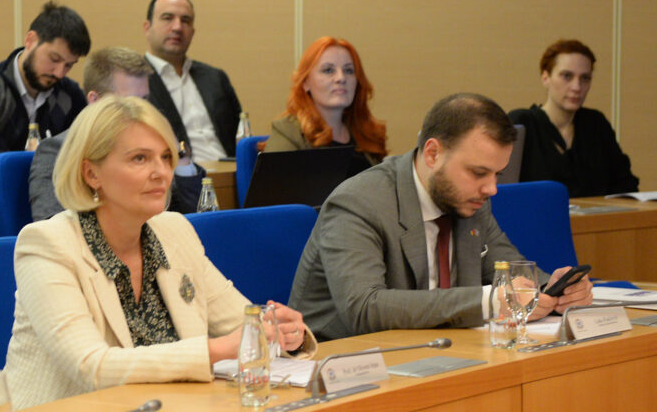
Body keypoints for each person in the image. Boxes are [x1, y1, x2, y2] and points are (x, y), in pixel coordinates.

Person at [3, 96, 316, 409]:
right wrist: (216, 350)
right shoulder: (48, 244)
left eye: (166, 157)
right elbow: (91, 366)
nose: (161, 172)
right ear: (91, 173)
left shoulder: (174, 230)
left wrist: (282, 333)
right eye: (140, 158)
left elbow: (242, 323)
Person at [289, 93, 592, 341]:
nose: (491, 189)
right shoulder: (358, 202)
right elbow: (365, 308)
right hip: (344, 364)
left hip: (435, 352)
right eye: (478, 172)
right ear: (433, 154)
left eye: (497, 174)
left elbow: (507, 270)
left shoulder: (470, 200)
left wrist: (553, 290)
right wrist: (489, 302)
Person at [29, 46, 204, 221]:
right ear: (95, 100)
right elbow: (51, 224)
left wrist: (179, 157)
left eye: (145, 100)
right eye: (129, 102)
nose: (142, 111)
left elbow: (195, 217)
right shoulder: (56, 150)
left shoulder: (155, 149)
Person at [0, 1, 91, 177]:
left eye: (68, 65)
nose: (59, 73)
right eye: (54, 59)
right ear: (30, 40)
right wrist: (22, 160)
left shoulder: (69, 95)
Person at [508, 39, 638, 197]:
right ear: (545, 77)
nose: (577, 87)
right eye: (567, 76)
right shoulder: (522, 123)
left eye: (585, 78)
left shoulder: (596, 124)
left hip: (596, 213)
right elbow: (504, 187)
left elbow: (626, 186)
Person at [266, 36, 388, 177]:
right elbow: (272, 187)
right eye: (328, 70)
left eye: (349, 70)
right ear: (306, 82)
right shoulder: (288, 132)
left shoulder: (367, 133)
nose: (341, 78)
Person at [142, 0, 242, 164]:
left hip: (230, 172)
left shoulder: (215, 78)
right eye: (167, 18)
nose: (177, 27)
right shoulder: (135, 80)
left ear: (193, 32)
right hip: (175, 175)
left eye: (185, 21)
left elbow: (240, 133)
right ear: (147, 28)